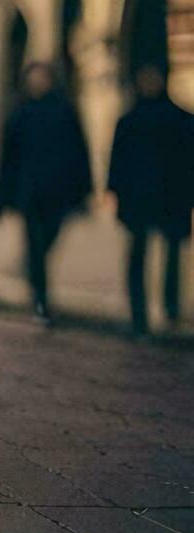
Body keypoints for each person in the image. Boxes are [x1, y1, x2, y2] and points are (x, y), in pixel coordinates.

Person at [0, 62, 92, 324]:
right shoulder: (19, 113)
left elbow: (79, 152)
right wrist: (1, 197)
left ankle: (32, 271)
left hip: (58, 191)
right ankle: (41, 298)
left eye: (43, 78)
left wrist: (85, 190)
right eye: (34, 78)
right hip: (29, 192)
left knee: (50, 236)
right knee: (36, 243)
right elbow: (7, 158)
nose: (38, 82)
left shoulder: (64, 110)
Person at [106, 63, 194, 337]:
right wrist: (115, 193)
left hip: (171, 196)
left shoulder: (181, 119)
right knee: (138, 255)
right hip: (139, 199)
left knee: (171, 255)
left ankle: (171, 307)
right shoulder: (129, 120)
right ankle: (138, 313)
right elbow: (117, 162)